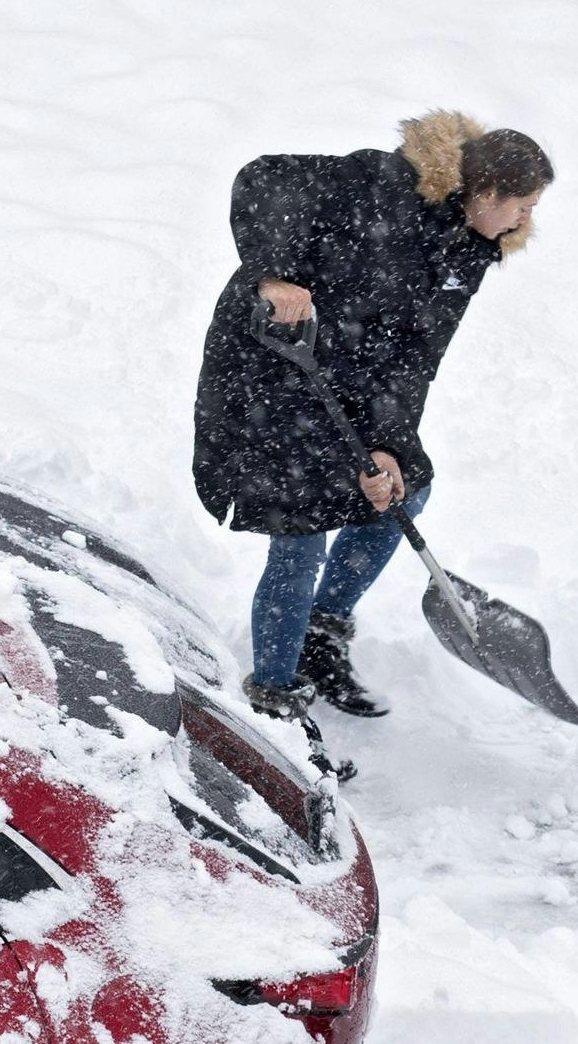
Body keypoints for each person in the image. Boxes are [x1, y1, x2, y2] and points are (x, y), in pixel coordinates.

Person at [189, 110, 551, 723]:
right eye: (522, 205)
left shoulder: (467, 252)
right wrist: (274, 275)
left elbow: (416, 356)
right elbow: (263, 180)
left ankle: (320, 636)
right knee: (299, 533)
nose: (526, 220)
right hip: (269, 368)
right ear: (486, 193)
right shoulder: (379, 183)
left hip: (345, 384)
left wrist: (386, 444)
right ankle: (275, 701)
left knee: (401, 495)